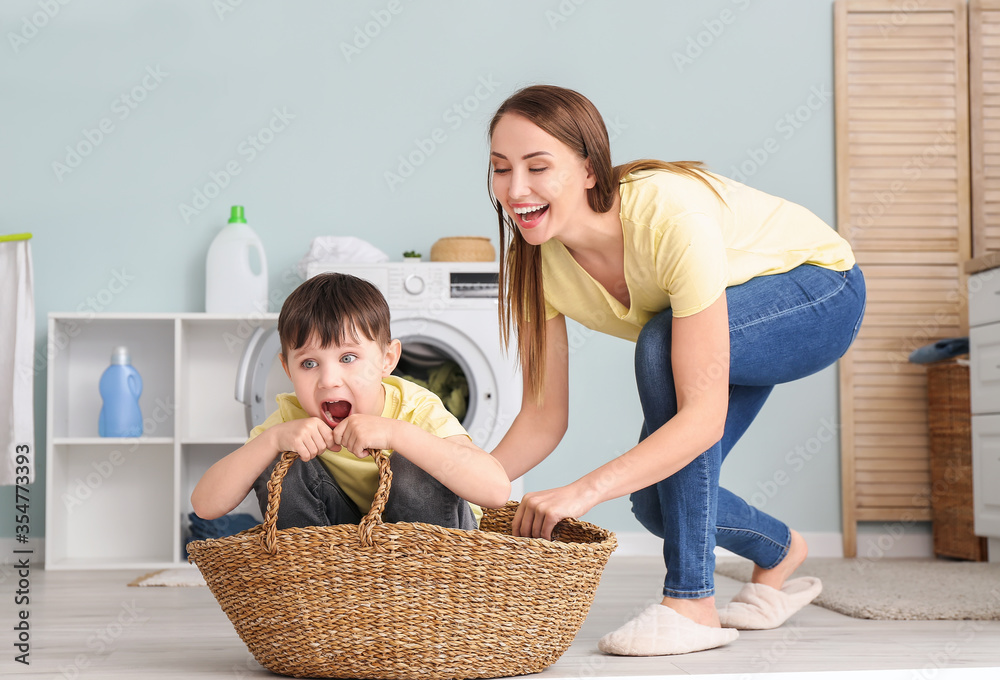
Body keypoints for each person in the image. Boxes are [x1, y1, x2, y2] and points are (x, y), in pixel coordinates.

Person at [486, 85, 865, 656]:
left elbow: (702, 420)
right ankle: (780, 550)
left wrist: (582, 492)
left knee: (660, 343)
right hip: (723, 325)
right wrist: (460, 486)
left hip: (819, 293)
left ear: (589, 169)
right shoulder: (532, 264)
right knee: (655, 505)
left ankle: (692, 603)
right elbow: (543, 417)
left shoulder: (666, 214)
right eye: (500, 169)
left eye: (538, 167)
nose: (516, 190)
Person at [191, 272, 511, 532]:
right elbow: (205, 505)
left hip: (433, 558)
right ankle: (316, 589)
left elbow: (496, 491)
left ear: (387, 359)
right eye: (309, 363)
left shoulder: (416, 406)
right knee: (281, 461)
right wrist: (273, 440)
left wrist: (397, 434)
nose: (329, 379)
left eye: (348, 357)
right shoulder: (292, 418)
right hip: (340, 559)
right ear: (287, 368)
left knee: (415, 462)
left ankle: (418, 594)